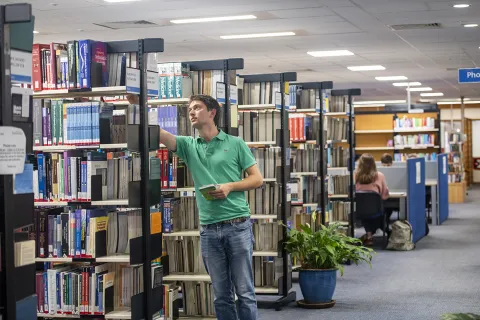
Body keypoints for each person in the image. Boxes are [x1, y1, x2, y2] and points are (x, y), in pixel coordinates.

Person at [159, 94, 263, 320]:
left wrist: (230, 187)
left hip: (238, 226)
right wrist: (138, 105)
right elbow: (160, 134)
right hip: (208, 230)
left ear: (212, 112)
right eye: (190, 109)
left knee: (245, 292)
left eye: (197, 107)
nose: (192, 112)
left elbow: (257, 179)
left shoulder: (235, 143)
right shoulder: (188, 145)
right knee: (221, 295)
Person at [355, 153, 390, 246]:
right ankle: (384, 230)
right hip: (376, 210)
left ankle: (369, 236)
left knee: (365, 211)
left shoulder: (355, 175)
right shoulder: (380, 175)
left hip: (359, 210)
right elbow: (384, 196)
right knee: (380, 210)